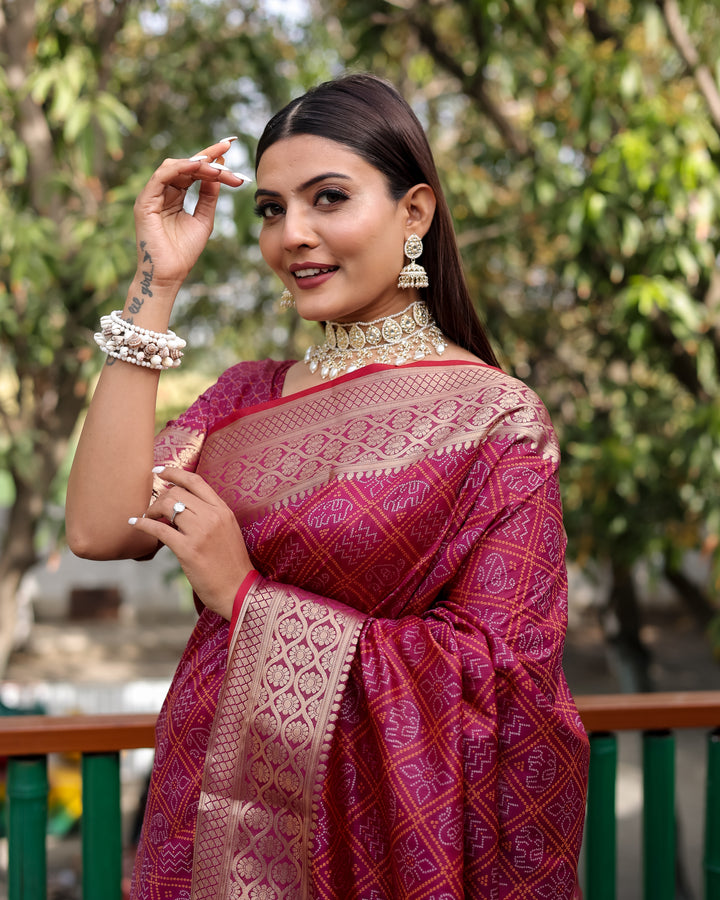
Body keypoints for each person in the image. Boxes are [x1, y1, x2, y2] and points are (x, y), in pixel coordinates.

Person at [66, 73, 589, 900]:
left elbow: (503, 683)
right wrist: (156, 284)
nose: (293, 235)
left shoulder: (494, 420)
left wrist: (244, 594)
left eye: (328, 198)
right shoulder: (242, 397)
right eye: (272, 209)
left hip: (366, 856)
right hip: (203, 824)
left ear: (414, 214)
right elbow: (100, 527)